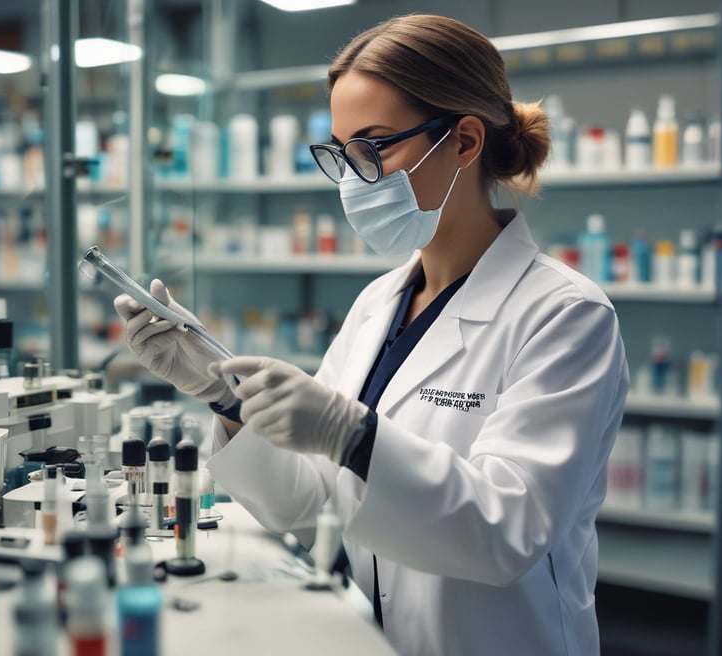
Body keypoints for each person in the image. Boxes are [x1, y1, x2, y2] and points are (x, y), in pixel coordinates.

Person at [114, 13, 629, 656]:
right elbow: (314, 507)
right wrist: (226, 397)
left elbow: (507, 533)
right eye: (342, 152)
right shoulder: (377, 304)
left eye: (375, 146)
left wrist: (352, 434)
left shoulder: (565, 315)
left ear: (465, 141)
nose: (354, 177)